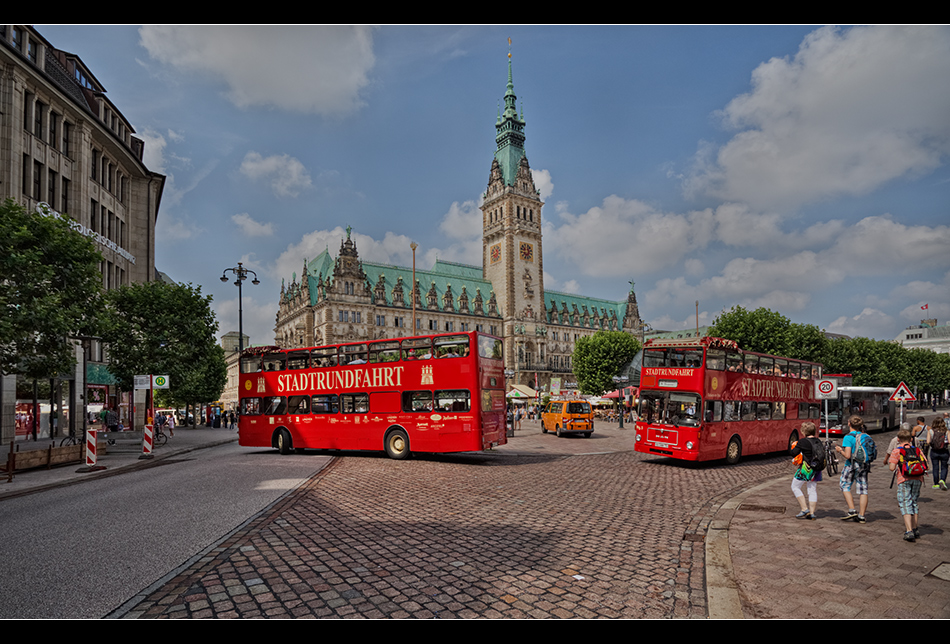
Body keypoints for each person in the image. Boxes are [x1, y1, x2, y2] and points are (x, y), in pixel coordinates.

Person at [888, 426, 926, 542]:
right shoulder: (917, 450)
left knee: (905, 503)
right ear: (911, 439)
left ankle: (909, 531)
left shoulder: (896, 451)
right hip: (918, 478)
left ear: (898, 439)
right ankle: (915, 528)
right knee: (914, 502)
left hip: (903, 479)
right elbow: (926, 465)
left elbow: (891, 468)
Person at [835, 416, 872, 523]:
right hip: (864, 465)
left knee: (844, 485)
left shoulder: (848, 437)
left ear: (849, 423)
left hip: (851, 465)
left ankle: (852, 510)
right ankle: (861, 516)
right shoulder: (865, 436)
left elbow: (847, 455)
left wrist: (839, 450)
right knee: (863, 490)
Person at [790, 422, 823, 520]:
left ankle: (804, 509)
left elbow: (793, 453)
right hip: (816, 468)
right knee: (812, 489)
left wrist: (794, 445)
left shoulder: (803, 442)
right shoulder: (818, 441)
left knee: (795, 486)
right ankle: (812, 513)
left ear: (803, 432)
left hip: (806, 468)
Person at [927, 417, 949, 490]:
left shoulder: (931, 431)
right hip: (944, 451)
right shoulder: (947, 431)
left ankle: (936, 484)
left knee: (935, 468)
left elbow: (928, 442)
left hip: (934, 451)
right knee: (944, 467)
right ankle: (942, 480)